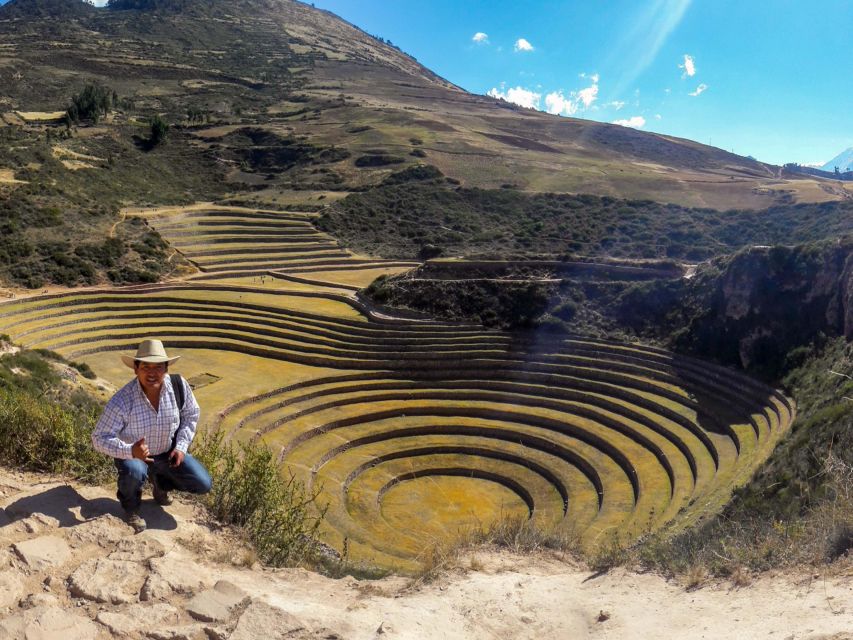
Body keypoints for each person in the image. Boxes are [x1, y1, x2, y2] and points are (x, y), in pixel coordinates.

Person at [92, 339, 212, 533]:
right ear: (136, 369)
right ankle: (131, 508)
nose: (152, 373)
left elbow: (191, 414)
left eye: (158, 367)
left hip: (167, 453)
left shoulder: (178, 385)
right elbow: (99, 438)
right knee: (133, 471)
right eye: (146, 367)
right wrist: (129, 450)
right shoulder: (122, 400)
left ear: (166, 369)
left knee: (203, 483)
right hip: (134, 458)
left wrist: (181, 446)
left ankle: (160, 485)